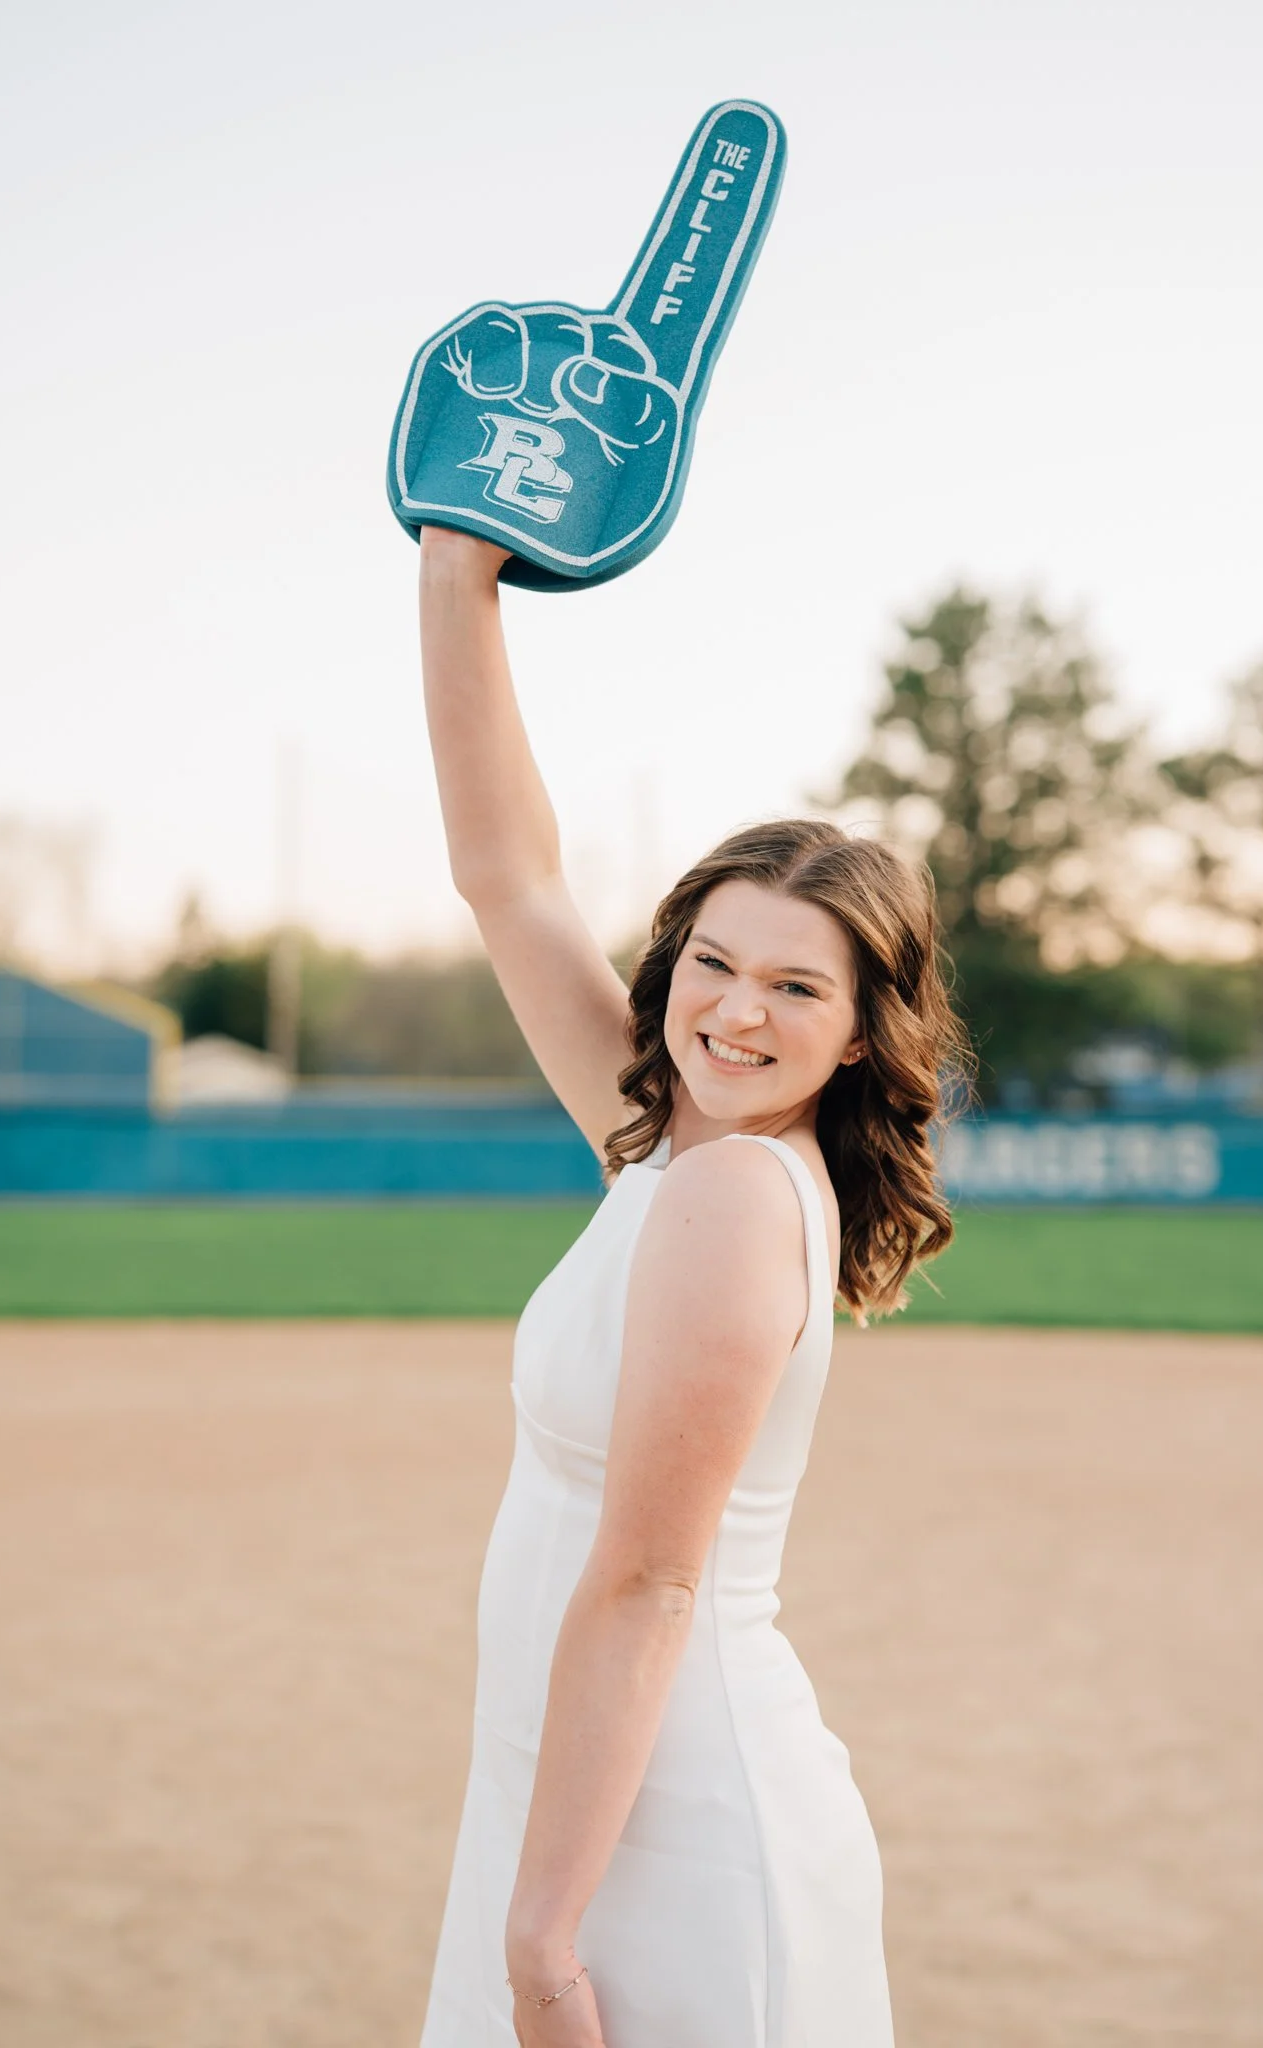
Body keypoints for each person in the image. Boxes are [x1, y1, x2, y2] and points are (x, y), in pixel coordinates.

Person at [415, 525, 966, 2048]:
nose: (734, 1010)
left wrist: (540, 1943)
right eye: (711, 963)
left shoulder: (729, 1191)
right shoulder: (671, 1146)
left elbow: (653, 1581)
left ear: (862, 1032)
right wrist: (459, 570)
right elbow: (510, 879)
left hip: (666, 1834)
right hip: (586, 1795)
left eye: (797, 986)